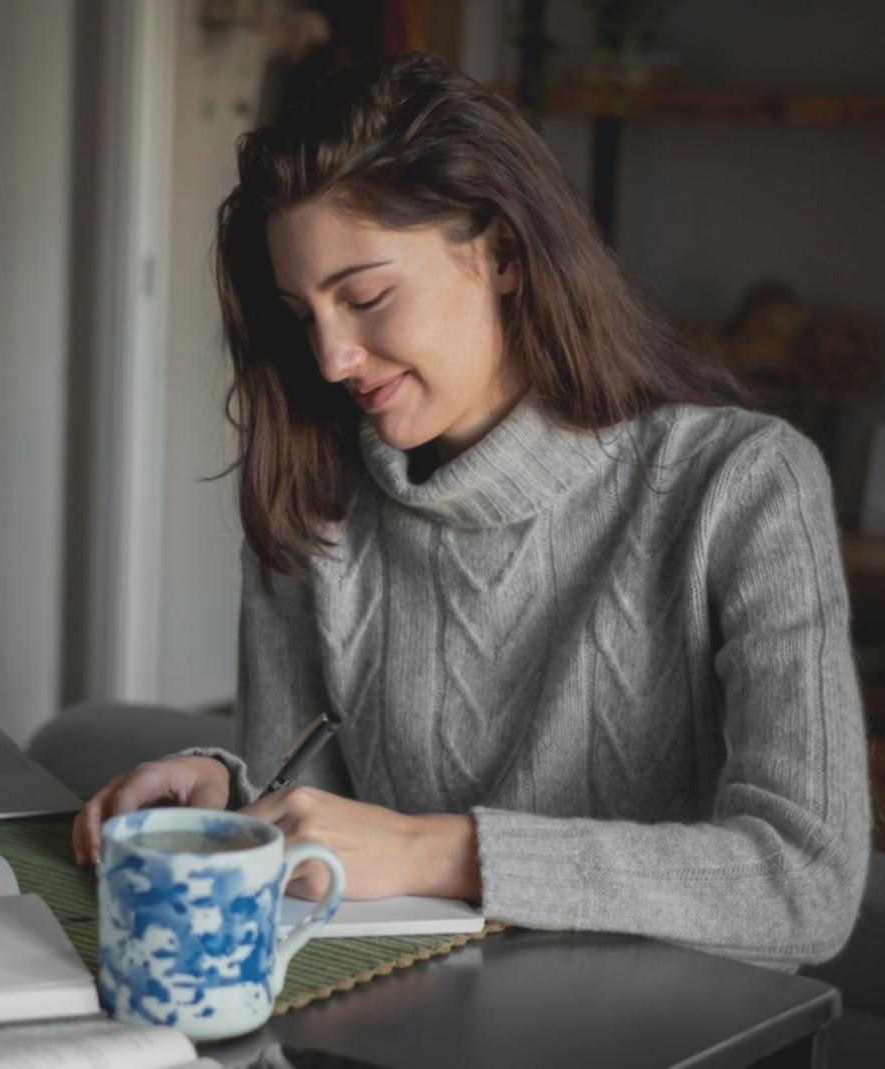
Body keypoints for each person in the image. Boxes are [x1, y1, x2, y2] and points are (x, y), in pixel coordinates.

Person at [71, 51, 870, 970]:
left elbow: (806, 884)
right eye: (304, 314)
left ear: (500, 253)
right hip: (394, 1019)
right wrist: (230, 796)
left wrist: (440, 849)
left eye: (365, 296)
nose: (332, 358)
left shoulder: (743, 485)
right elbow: (318, 817)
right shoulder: (314, 498)